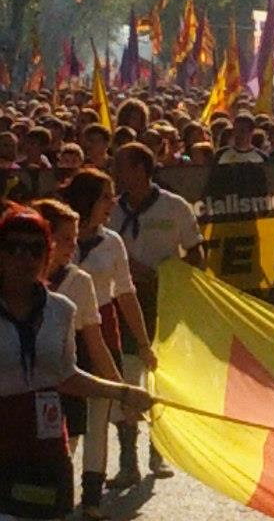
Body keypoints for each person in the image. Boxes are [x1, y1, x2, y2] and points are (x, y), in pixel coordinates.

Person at [0, 205, 151, 520]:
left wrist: (123, 393)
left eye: (34, 248)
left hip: (48, 446)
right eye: (12, 247)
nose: (24, 257)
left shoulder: (62, 310)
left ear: (47, 254)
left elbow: (66, 375)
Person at [109, 142, 205, 487]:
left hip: (162, 305)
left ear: (139, 169)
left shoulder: (173, 206)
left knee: (158, 377)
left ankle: (158, 450)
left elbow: (196, 254)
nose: (116, 172)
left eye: (121, 165)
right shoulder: (112, 210)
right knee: (126, 381)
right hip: (121, 305)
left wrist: (173, 277)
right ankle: (127, 460)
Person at [63, 168, 156, 504]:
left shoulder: (112, 240)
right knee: (64, 416)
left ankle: (90, 496)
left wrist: (143, 344)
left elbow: (126, 294)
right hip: (60, 332)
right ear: (85, 199)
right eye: (105, 196)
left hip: (102, 330)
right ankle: (58, 480)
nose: (112, 203)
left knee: (99, 414)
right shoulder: (58, 236)